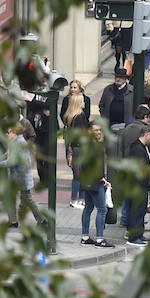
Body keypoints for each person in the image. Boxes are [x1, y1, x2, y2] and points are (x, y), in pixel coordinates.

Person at [0, 122, 48, 233]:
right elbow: (7, 154)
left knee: (26, 199)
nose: (6, 134)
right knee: (20, 198)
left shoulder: (18, 143)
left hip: (21, 177)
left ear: (14, 132)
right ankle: (16, 221)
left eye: (8, 132)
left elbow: (12, 161)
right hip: (19, 177)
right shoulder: (15, 141)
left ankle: (40, 220)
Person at [76, 124, 112, 248]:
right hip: (95, 182)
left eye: (100, 130)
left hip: (87, 181)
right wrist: (102, 179)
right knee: (102, 210)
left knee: (88, 209)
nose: (98, 132)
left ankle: (85, 237)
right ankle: (99, 239)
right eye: (95, 130)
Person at [123, 126, 150, 246]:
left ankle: (139, 234)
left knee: (141, 210)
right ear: (146, 134)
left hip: (141, 185)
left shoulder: (142, 146)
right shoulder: (137, 148)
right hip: (137, 185)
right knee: (137, 211)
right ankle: (134, 237)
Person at [60, 79, 91, 207]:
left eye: (75, 87)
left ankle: (79, 198)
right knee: (79, 173)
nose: (72, 89)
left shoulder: (73, 116)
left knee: (78, 172)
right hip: (78, 147)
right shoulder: (78, 117)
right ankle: (77, 199)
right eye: (71, 87)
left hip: (74, 146)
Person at [98, 68, 133, 134]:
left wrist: (130, 121)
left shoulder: (132, 91)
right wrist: (104, 117)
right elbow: (101, 104)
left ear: (125, 79)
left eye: (121, 77)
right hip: (110, 124)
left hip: (125, 125)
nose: (118, 79)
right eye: (117, 77)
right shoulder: (108, 89)